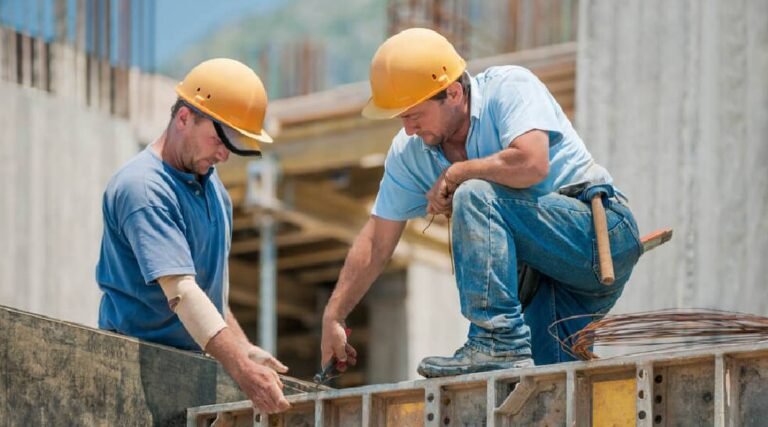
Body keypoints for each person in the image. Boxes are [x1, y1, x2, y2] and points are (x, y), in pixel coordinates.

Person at [320, 28, 643, 378]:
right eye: (402, 119)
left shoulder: (509, 88)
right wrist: (334, 315)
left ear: (454, 92)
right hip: (546, 281)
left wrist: (459, 172)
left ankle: (496, 341)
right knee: (550, 389)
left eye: (415, 115)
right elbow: (376, 240)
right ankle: (504, 346)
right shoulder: (410, 153)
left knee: (474, 193)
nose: (409, 129)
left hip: (597, 236)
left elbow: (532, 163)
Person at [96, 58, 290, 413]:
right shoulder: (144, 189)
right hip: (133, 373)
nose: (223, 155)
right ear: (184, 118)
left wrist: (244, 349)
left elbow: (205, 294)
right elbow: (182, 293)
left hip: (187, 372)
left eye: (231, 145)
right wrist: (241, 369)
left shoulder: (215, 192)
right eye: (219, 139)